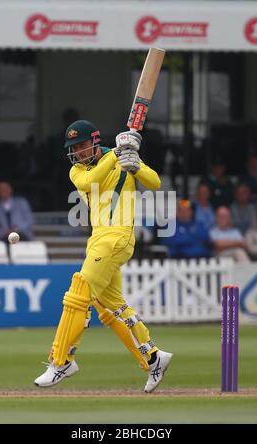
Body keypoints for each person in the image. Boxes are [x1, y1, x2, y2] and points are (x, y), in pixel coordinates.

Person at [34, 120, 172, 393]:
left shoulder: (121, 158)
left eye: (81, 145)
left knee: (79, 292)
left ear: (95, 141)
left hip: (117, 237)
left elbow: (155, 182)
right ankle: (153, 357)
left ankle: (61, 361)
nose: (77, 151)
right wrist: (117, 155)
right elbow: (91, 180)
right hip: (97, 240)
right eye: (72, 147)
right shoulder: (78, 171)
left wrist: (136, 163)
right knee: (111, 308)